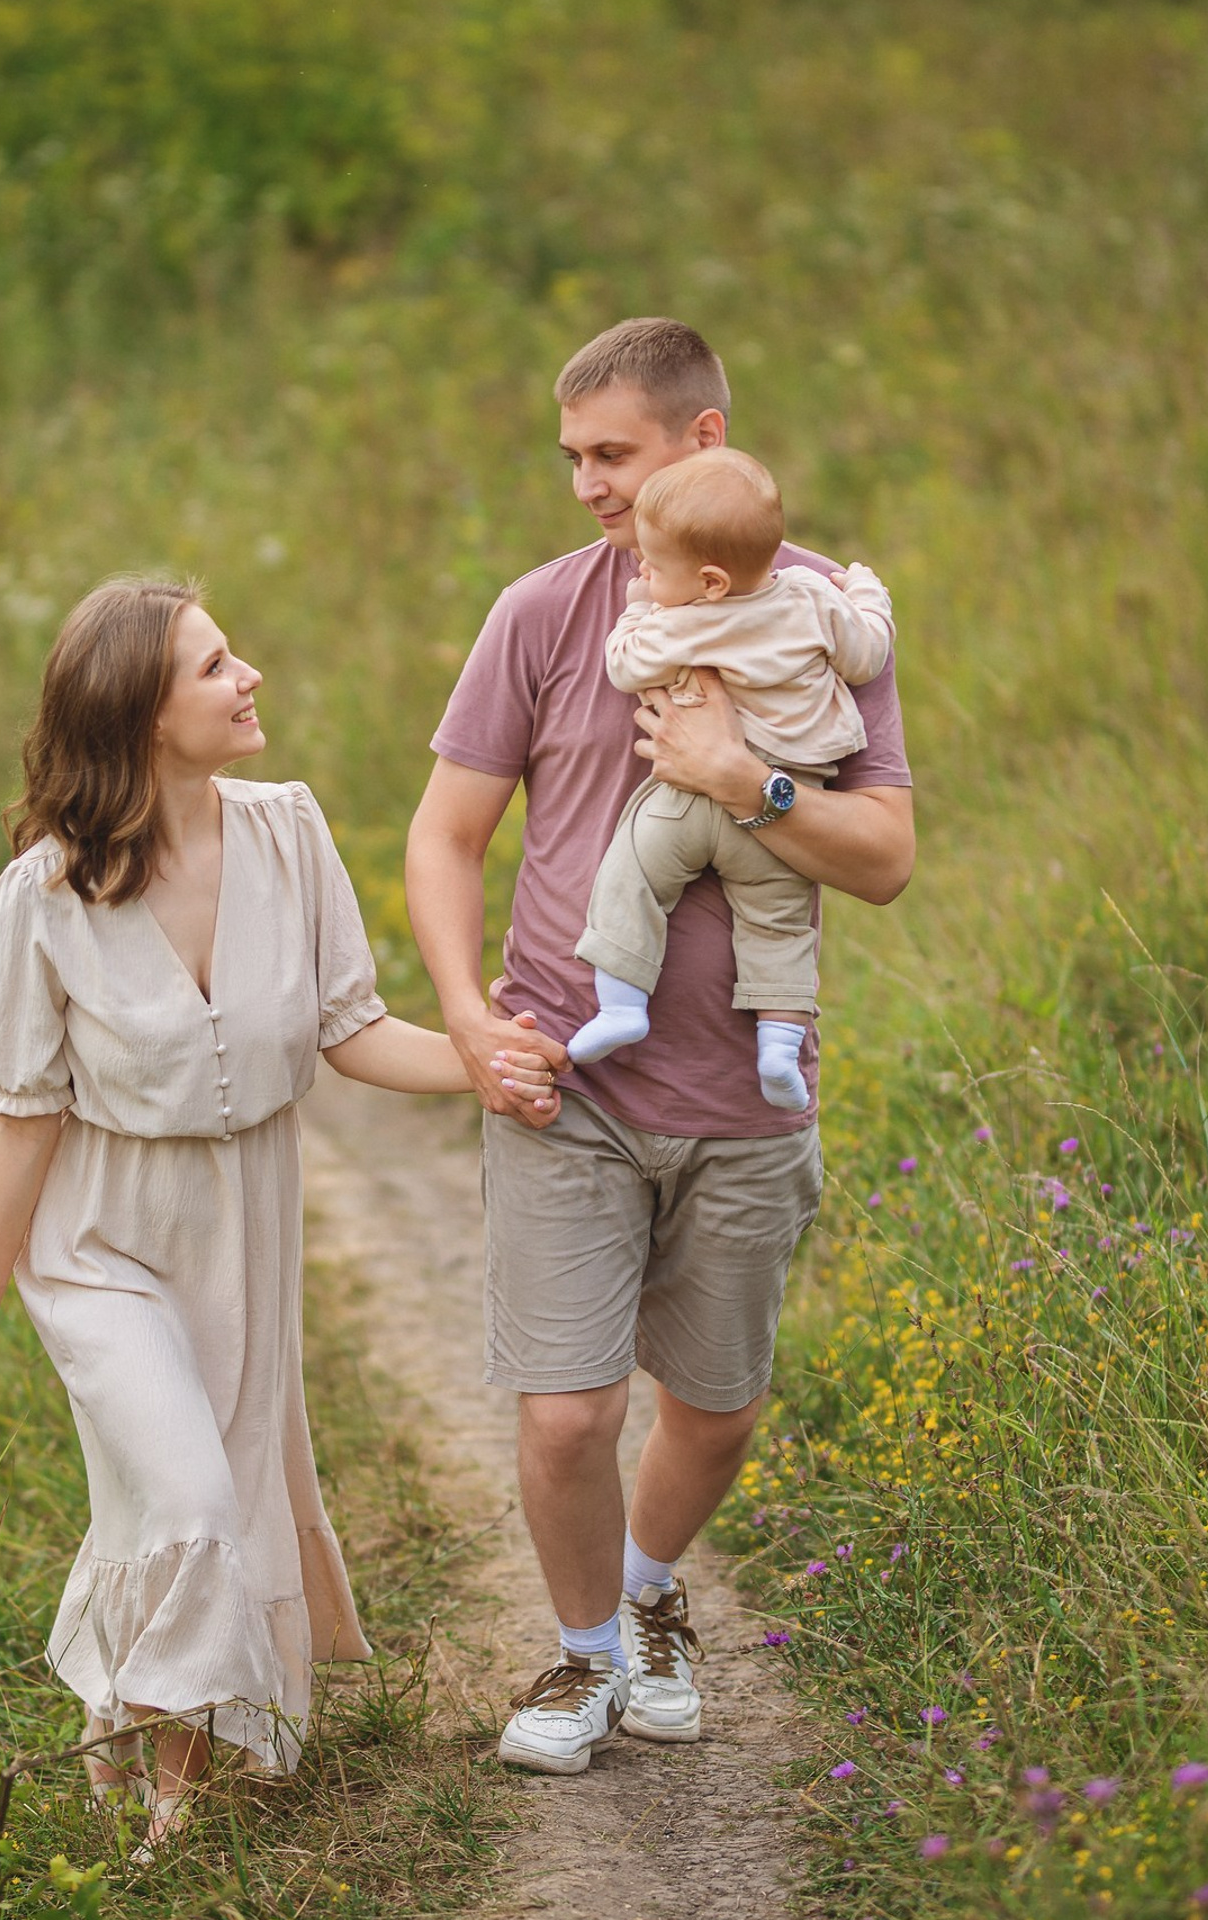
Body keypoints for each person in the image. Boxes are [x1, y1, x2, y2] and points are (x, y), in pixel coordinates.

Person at [0, 576, 563, 1845]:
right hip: (102, 1237)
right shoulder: (43, 898)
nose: (250, 677)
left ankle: (136, 1722)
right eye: (216, 667)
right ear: (143, 717)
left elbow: (351, 1029)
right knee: (195, 1503)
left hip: (244, 1231)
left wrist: (485, 1059)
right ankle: (178, 1800)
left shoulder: (288, 830)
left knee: (178, 1500)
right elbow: (21, 1114)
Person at [407, 318, 913, 1774]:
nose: (584, 485)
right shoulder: (546, 615)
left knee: (714, 1408)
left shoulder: (819, 616)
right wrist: (463, 1010)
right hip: (565, 1078)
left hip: (747, 1098)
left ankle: (646, 1596)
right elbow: (445, 840)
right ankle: (579, 1661)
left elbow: (883, 859)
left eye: (610, 454)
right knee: (566, 1416)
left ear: (703, 443)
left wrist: (737, 780)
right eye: (570, 456)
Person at [567, 445, 894, 1110]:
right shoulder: (809, 599)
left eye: (653, 567)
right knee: (777, 925)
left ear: (710, 582)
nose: (644, 573)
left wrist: (636, 608)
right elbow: (867, 654)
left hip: (685, 802)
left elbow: (625, 666)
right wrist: (866, 593)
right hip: (787, 801)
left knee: (629, 874)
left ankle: (622, 1003)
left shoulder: (680, 623)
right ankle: (778, 1047)